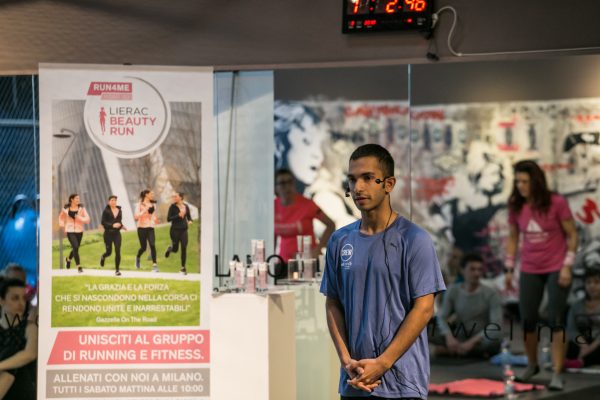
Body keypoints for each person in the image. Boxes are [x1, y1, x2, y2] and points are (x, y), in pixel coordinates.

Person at [321, 144, 446, 399]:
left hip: (403, 384)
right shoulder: (339, 240)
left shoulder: (414, 239)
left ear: (388, 184)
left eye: (367, 178)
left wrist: (383, 363)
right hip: (355, 382)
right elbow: (333, 303)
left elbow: (423, 309)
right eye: (352, 179)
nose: (358, 188)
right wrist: (347, 362)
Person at [506, 160, 578, 390]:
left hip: (557, 266)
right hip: (529, 267)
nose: (520, 186)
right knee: (528, 319)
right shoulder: (517, 205)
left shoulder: (556, 202)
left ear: (536, 181)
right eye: (517, 181)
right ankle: (532, 365)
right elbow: (513, 237)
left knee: (556, 320)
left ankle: (557, 372)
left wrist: (567, 265)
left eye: (524, 181)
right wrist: (509, 268)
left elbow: (572, 235)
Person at [435, 253, 503, 358]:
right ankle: (464, 350)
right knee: (427, 328)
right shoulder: (453, 290)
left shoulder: (491, 293)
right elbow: (442, 317)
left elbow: (496, 324)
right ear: (462, 270)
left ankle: (455, 351)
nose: (476, 273)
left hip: (481, 338)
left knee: (495, 335)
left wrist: (471, 342)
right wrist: (449, 337)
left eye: (479, 270)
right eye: (472, 269)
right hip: (460, 336)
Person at [274, 169, 335, 262]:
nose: (287, 186)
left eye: (290, 182)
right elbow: (273, 235)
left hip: (308, 261)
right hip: (284, 262)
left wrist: (318, 249)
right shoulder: (273, 206)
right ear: (275, 187)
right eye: (282, 183)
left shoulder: (308, 204)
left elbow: (331, 224)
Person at [0, 279, 37, 400]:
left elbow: (30, 354)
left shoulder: (30, 327)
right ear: (1, 300)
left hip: (23, 393)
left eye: (24, 298)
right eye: (15, 298)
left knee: (11, 351)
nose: (21, 303)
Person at [565, 268, 600, 368]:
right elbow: (572, 330)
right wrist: (584, 345)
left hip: (597, 343)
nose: (592, 286)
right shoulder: (576, 306)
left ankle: (581, 362)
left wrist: (589, 349)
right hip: (582, 342)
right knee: (565, 345)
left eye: (596, 282)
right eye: (588, 282)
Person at [58, 193, 90, 273]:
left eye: (79, 199)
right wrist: (62, 226)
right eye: (76, 198)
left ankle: (68, 260)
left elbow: (87, 219)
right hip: (70, 230)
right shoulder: (66, 208)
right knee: (75, 246)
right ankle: (79, 267)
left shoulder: (82, 208)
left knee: (76, 248)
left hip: (79, 231)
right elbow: (60, 218)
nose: (78, 200)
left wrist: (78, 217)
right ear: (72, 199)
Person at [165, 192, 192, 275]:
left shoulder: (186, 206)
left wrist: (190, 221)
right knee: (176, 249)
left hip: (184, 230)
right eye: (173, 196)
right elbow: (168, 219)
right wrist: (178, 215)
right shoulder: (172, 207)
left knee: (184, 248)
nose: (174, 198)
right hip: (175, 231)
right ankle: (170, 249)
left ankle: (183, 268)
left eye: (175, 196)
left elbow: (189, 217)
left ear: (180, 197)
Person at [135, 190, 159, 272]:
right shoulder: (139, 204)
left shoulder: (153, 204)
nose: (153, 195)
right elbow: (136, 217)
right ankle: (138, 257)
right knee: (143, 247)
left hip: (150, 227)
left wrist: (155, 219)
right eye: (151, 194)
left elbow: (153, 216)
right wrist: (144, 210)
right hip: (141, 228)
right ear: (146, 194)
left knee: (152, 244)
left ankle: (155, 265)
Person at [100, 195, 124, 276]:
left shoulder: (119, 210)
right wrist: (112, 225)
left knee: (118, 250)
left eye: (115, 200)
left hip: (117, 234)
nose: (114, 202)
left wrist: (121, 226)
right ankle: (103, 257)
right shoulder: (106, 211)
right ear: (109, 202)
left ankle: (117, 270)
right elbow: (103, 222)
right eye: (112, 200)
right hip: (108, 234)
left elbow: (119, 221)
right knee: (109, 252)